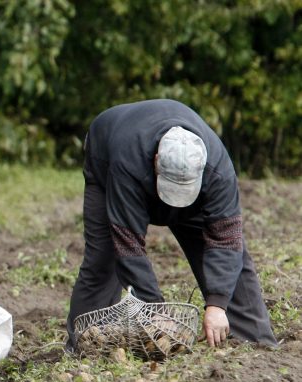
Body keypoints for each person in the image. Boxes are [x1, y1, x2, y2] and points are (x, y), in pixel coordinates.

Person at [66, 98, 277, 352]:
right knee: (105, 255)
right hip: (108, 159)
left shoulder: (217, 170)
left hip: (188, 184)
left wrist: (217, 305)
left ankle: (256, 344)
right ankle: (89, 344)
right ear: (156, 160)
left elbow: (226, 239)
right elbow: (128, 241)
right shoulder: (128, 161)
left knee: (233, 258)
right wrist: (155, 309)